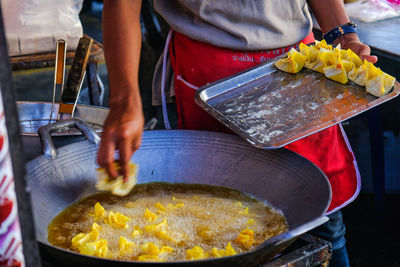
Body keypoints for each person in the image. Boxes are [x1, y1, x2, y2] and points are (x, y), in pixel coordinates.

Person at [98, 1, 378, 266]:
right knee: (210, 226)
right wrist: (124, 100)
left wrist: (343, 34)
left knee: (322, 221)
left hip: (300, 72)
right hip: (209, 75)